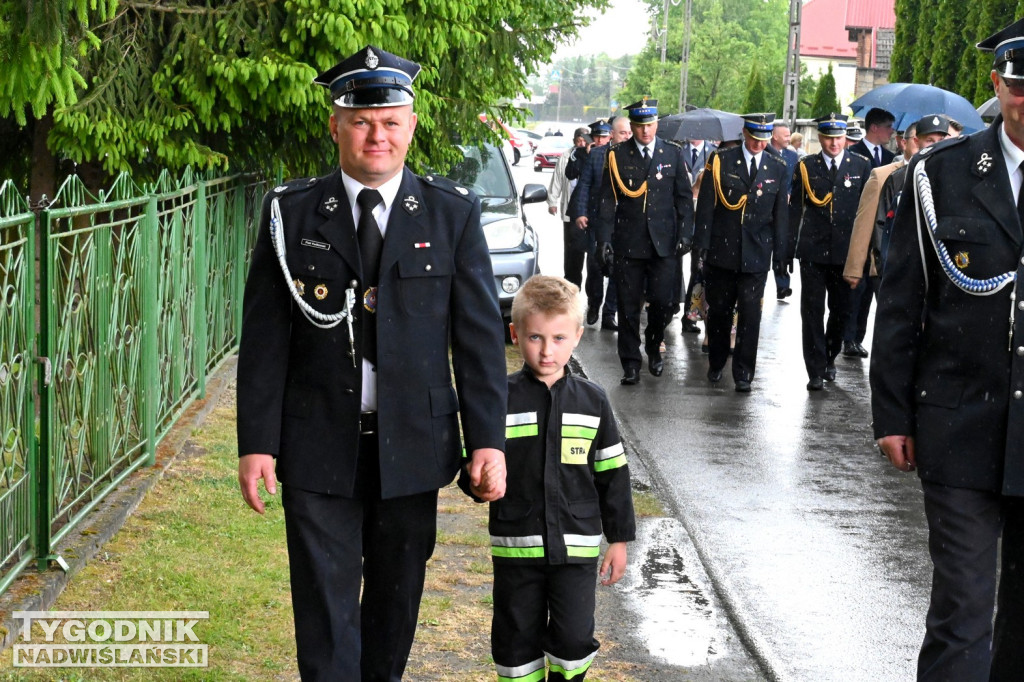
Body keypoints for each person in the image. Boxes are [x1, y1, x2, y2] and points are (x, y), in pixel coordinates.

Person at [235, 45, 508, 681]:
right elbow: (266, 339)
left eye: (389, 120)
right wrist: (257, 444)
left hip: (411, 448)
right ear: (335, 125)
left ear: (412, 126)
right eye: (361, 121)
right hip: (315, 443)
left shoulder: (451, 213)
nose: (376, 134)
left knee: (394, 609)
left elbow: (477, 342)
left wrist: (487, 441)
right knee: (325, 618)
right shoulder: (291, 213)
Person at [871, 18, 1024, 680]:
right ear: (998, 85)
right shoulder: (943, 174)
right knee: (962, 612)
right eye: (1021, 85)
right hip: (958, 422)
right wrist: (893, 415)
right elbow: (903, 304)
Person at [460, 275, 635, 682]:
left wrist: (619, 540)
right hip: (516, 550)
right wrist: (478, 485)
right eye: (535, 337)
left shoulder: (593, 401)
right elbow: (472, 467)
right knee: (514, 641)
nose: (546, 351)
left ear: (577, 336)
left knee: (574, 638)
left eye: (558, 338)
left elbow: (613, 475)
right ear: (515, 334)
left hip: (577, 550)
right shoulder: (496, 400)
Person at [595, 98, 694, 385]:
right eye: (640, 126)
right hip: (629, 242)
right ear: (633, 127)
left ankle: (653, 342)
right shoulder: (616, 155)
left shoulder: (672, 154)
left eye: (650, 125)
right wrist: (604, 240)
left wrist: (687, 233)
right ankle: (630, 363)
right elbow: (606, 201)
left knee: (664, 302)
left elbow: (683, 199)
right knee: (628, 306)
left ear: (657, 125)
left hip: (664, 244)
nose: (645, 131)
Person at [694, 113, 788, 392]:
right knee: (720, 312)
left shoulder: (777, 166)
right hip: (722, 251)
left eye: (764, 139)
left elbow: (780, 213)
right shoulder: (721, 160)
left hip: (756, 254)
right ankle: (717, 360)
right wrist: (702, 244)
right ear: (745, 134)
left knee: (751, 315)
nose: (759, 144)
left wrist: (782, 255)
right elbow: (707, 205)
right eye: (754, 138)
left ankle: (744, 372)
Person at [788, 113, 871, 391]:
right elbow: (794, 210)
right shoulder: (806, 166)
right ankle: (814, 368)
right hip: (813, 250)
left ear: (845, 138)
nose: (834, 143)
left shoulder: (860, 165)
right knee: (811, 311)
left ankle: (830, 356)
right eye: (828, 137)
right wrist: (787, 250)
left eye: (838, 137)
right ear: (820, 138)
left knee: (842, 311)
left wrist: (866, 254)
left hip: (846, 253)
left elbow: (866, 214)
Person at [842, 120, 920, 300]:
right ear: (904, 142)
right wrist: (854, 267)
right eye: (917, 140)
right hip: (884, 261)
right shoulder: (882, 175)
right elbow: (864, 222)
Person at [570, 118, 623, 331]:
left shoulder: (632, 157)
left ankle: (610, 313)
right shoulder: (597, 155)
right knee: (595, 264)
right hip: (597, 218)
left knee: (618, 267)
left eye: (629, 133)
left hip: (623, 221)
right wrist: (581, 212)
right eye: (623, 133)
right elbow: (584, 185)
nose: (626, 137)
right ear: (613, 134)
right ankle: (594, 302)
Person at [549, 127, 593, 290]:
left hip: (590, 213)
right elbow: (558, 178)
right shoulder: (567, 156)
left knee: (593, 257)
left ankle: (591, 293)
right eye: (578, 141)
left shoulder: (595, 154)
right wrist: (552, 201)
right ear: (574, 141)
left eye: (584, 140)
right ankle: (572, 287)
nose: (582, 143)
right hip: (571, 213)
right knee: (572, 254)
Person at [767, 123, 800, 300]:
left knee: (782, 247)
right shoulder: (764, 153)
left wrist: (789, 194)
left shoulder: (792, 156)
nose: (789, 138)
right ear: (775, 136)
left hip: (785, 210)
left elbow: (795, 181)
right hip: (766, 208)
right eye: (786, 135)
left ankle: (782, 285)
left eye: (789, 135)